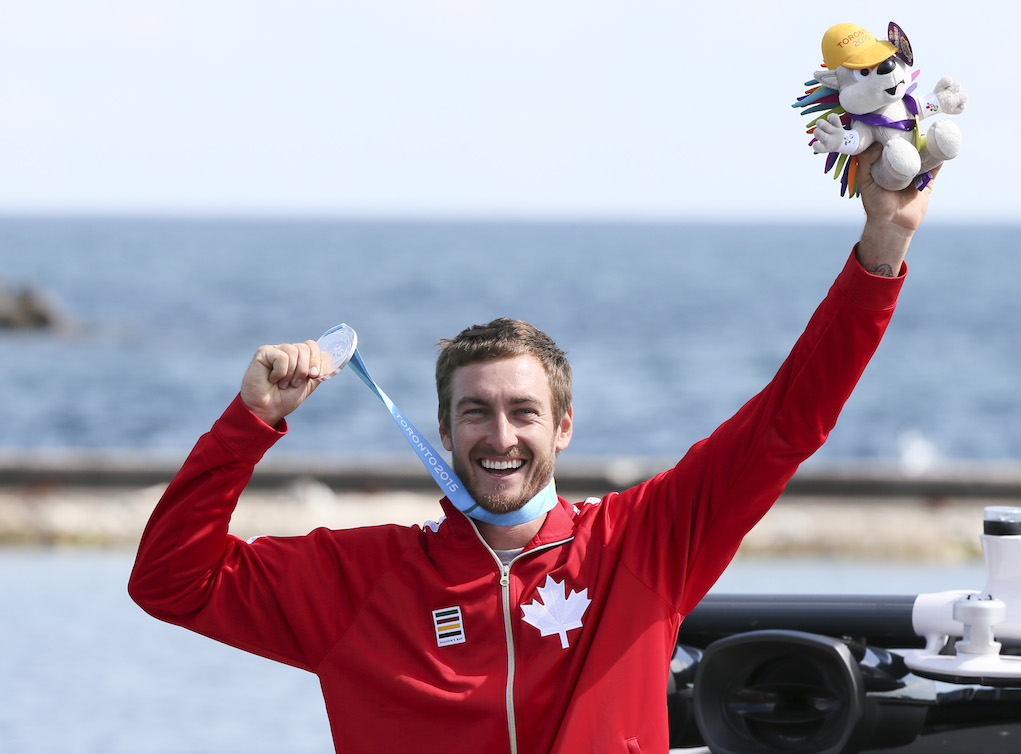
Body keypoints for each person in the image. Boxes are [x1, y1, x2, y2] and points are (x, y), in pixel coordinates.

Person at [129, 145, 939, 753]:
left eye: (523, 412)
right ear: (442, 433)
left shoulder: (641, 544)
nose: (500, 436)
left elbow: (788, 421)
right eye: (475, 413)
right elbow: (169, 582)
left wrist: (880, 250)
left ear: (563, 427)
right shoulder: (360, 580)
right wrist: (249, 423)